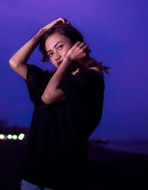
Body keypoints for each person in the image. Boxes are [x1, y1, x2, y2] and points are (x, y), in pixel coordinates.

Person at [9, 18, 110, 190]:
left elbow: (49, 96)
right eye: (50, 53)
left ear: (78, 45)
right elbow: (15, 62)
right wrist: (41, 32)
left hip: (64, 174)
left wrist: (69, 60)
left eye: (60, 47)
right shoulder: (49, 79)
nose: (55, 56)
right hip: (32, 171)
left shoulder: (92, 76)